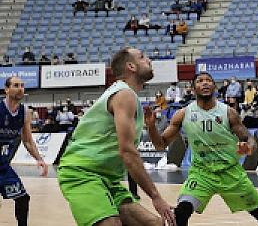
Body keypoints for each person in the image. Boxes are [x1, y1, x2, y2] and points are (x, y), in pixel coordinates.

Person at [145, 72, 258, 226]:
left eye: (208, 81)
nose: (204, 83)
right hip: (201, 174)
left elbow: (250, 140)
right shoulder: (183, 114)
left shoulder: (228, 112)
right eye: (200, 81)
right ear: (193, 88)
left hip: (230, 173)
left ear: (214, 87)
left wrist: (248, 147)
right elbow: (160, 144)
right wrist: (151, 127)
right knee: (181, 213)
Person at [57, 47, 175, 226]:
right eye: (142, 57)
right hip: (81, 173)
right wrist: (155, 196)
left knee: (155, 224)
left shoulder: (128, 95)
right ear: (131, 66)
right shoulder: (124, 94)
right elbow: (127, 151)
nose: (149, 60)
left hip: (108, 179)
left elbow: (156, 145)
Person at [0, 77, 48, 226]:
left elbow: (27, 140)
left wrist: (39, 159)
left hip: (3, 166)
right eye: (16, 85)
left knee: (22, 198)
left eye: (22, 85)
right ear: (6, 89)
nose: (20, 88)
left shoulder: (25, 112)